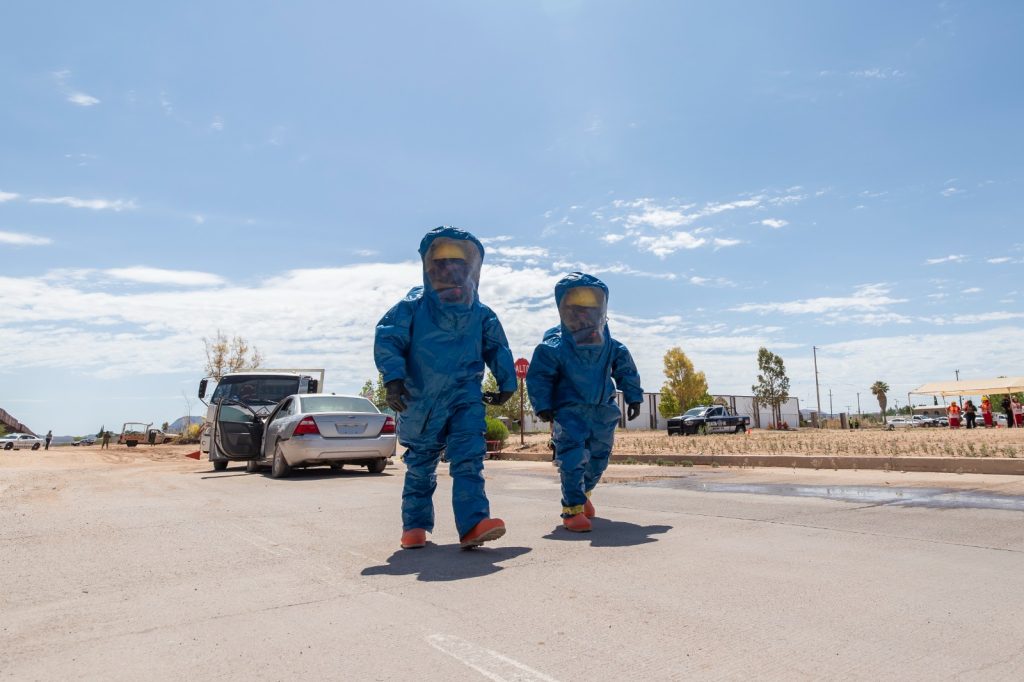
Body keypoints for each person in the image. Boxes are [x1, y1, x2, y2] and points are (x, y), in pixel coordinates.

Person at [374, 226, 516, 550]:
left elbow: (498, 348)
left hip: (465, 395)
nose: (451, 269)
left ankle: (474, 523)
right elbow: (389, 339)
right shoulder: (412, 306)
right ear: (429, 266)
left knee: (469, 455)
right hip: (419, 399)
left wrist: (507, 383)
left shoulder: (481, 313)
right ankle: (414, 527)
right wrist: (393, 379)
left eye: (458, 262)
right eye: (442, 262)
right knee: (421, 464)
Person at [526, 272, 644, 533]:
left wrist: (634, 395)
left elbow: (625, 368)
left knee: (600, 457)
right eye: (577, 308)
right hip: (570, 411)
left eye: (590, 307)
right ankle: (572, 509)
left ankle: (584, 493)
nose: (584, 314)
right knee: (573, 457)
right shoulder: (554, 346)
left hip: (603, 410)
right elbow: (539, 376)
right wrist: (542, 405)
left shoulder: (610, 345)